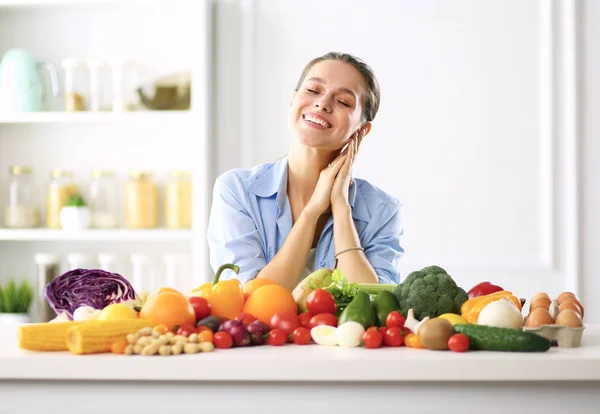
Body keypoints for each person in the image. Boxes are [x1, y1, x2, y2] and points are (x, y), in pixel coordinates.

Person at [207, 52, 404, 292]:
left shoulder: (382, 211)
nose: (322, 103)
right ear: (292, 101)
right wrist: (312, 213)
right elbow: (249, 299)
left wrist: (341, 207)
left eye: (343, 101)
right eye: (312, 90)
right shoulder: (236, 190)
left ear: (362, 130)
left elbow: (373, 306)